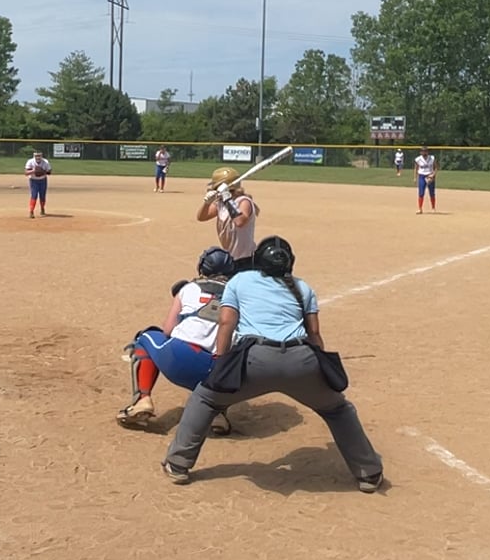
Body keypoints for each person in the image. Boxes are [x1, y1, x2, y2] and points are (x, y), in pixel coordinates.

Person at [162, 236, 384, 492]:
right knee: (337, 409)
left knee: (205, 399)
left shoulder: (240, 281)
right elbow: (314, 334)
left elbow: (226, 323)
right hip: (301, 361)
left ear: (257, 261)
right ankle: (368, 473)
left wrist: (221, 361)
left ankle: (178, 464)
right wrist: (321, 370)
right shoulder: (302, 287)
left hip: (254, 360)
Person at [119, 247, 237, 435]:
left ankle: (142, 399)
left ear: (202, 268)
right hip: (218, 376)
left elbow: (168, 330)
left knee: (146, 337)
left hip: (180, 358)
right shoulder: (239, 296)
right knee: (232, 359)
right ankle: (217, 413)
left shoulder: (189, 288)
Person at [198, 166, 258, 272]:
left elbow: (239, 222)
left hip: (246, 259)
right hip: (229, 258)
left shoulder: (244, 201)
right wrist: (206, 203)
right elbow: (201, 217)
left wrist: (227, 199)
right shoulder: (220, 203)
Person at [24, 149, 52, 217]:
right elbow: (26, 173)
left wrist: (43, 171)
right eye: (36, 156)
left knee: (42, 196)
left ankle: (42, 209)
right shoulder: (30, 161)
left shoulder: (45, 162)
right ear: (34, 156)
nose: (38, 157)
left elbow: (49, 172)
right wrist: (34, 171)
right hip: (33, 180)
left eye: (39, 156)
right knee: (34, 195)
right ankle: (31, 211)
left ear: (41, 156)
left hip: (43, 180)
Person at [414, 146, 438, 213]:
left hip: (430, 176)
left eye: (425, 151)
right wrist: (415, 177)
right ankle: (420, 209)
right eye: (423, 151)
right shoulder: (418, 159)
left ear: (427, 152)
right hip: (421, 176)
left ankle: (433, 208)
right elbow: (416, 168)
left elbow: (436, 167)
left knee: (432, 193)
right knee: (421, 193)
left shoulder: (432, 158)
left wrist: (433, 175)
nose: (424, 152)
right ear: (420, 152)